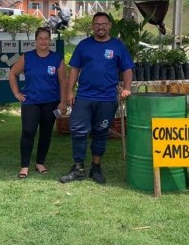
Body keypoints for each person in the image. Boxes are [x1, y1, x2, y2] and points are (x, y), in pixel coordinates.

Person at [59, 12, 134, 184]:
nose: (100, 27)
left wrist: (127, 88)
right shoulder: (84, 45)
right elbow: (75, 69)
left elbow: (127, 69)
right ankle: (78, 169)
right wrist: (70, 92)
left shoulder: (118, 46)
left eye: (104, 24)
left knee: (100, 132)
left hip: (107, 99)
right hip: (84, 96)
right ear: (93, 26)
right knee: (78, 131)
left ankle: (96, 167)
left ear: (109, 26)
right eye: (97, 24)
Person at [9, 27, 67, 179]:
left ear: (50, 40)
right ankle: (25, 165)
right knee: (28, 131)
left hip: (51, 102)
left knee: (46, 133)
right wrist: (16, 93)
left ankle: (40, 162)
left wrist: (62, 102)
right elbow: (12, 73)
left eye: (46, 38)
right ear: (35, 41)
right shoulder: (27, 57)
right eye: (40, 38)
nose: (43, 41)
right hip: (31, 102)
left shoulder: (57, 59)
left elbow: (63, 81)